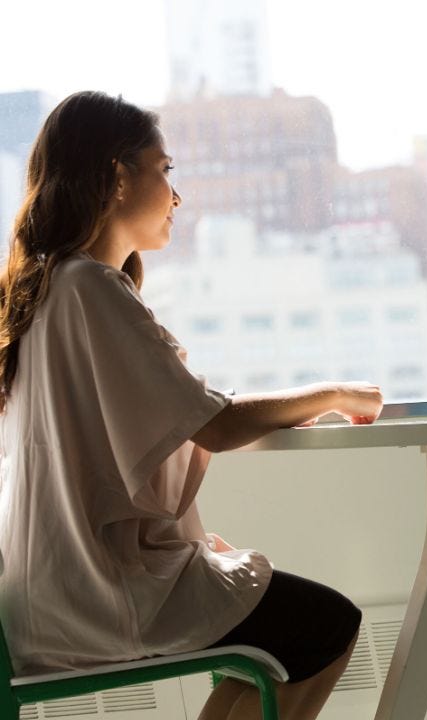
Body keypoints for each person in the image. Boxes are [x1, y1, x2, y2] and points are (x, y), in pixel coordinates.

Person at [0, 91, 384, 720]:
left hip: (47, 590)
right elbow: (216, 421)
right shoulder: (88, 288)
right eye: (165, 169)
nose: (177, 196)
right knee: (326, 625)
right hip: (94, 594)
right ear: (119, 176)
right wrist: (336, 393)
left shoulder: (43, 290)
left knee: (275, 649)